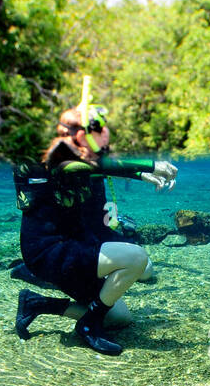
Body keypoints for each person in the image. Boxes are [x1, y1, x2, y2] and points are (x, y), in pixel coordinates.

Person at [13, 102, 177, 354]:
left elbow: (94, 168)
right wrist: (149, 165)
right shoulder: (45, 156)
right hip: (50, 252)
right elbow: (85, 165)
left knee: (119, 318)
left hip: (74, 246)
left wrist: (139, 175)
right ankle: (89, 325)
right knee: (136, 258)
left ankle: (36, 303)